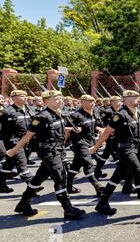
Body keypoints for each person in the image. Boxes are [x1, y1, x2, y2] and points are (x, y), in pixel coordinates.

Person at [7, 90, 85, 219]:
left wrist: (71, 131)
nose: (60, 100)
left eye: (60, 98)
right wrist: (13, 150)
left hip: (57, 150)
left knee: (38, 178)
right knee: (60, 178)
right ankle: (68, 209)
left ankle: (22, 204)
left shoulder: (59, 114)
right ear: (46, 101)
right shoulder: (41, 116)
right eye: (56, 98)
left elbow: (60, 132)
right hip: (48, 152)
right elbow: (28, 136)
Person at [89, 90, 140, 218]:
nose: (138, 100)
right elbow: (107, 132)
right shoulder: (120, 114)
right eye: (135, 98)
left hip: (134, 148)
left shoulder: (136, 113)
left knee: (117, 176)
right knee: (139, 173)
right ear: (127, 99)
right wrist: (95, 147)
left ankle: (102, 202)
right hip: (124, 149)